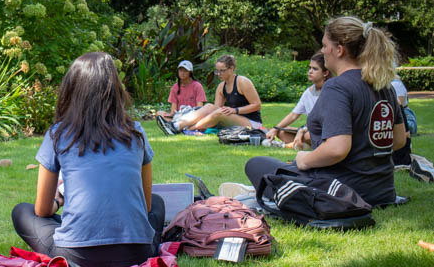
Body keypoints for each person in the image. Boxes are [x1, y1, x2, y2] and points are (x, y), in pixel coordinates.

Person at [11, 52, 165, 267]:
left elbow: (42, 210)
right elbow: (147, 206)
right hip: (137, 253)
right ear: (115, 90)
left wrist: (59, 200)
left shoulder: (58, 134)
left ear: (72, 90)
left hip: (76, 256)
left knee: (21, 211)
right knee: (158, 203)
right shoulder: (136, 133)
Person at [245, 16, 406, 206]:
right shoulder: (385, 87)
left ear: (339, 50)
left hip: (343, 191)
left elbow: (337, 149)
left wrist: (304, 160)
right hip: (382, 191)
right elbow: (398, 140)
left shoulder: (337, 87)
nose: (322, 51)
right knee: (279, 168)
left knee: (256, 164)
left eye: (324, 45)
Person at [157, 55, 262, 134]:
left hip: (251, 123)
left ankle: (183, 128)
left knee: (220, 112)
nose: (219, 74)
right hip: (234, 119)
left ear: (232, 68)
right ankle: (178, 125)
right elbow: (214, 109)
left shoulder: (242, 82)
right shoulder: (221, 86)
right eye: (217, 71)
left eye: (222, 71)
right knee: (209, 106)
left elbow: (257, 105)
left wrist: (235, 110)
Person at [265, 53, 332, 149]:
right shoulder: (308, 92)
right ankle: (303, 145)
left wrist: (302, 131)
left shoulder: (330, 91)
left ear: (325, 73)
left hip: (324, 132)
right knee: (282, 132)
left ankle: (289, 145)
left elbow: (322, 122)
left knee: (309, 135)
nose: (310, 71)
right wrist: (275, 129)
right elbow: (293, 115)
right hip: (310, 130)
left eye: (315, 69)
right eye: (310, 68)